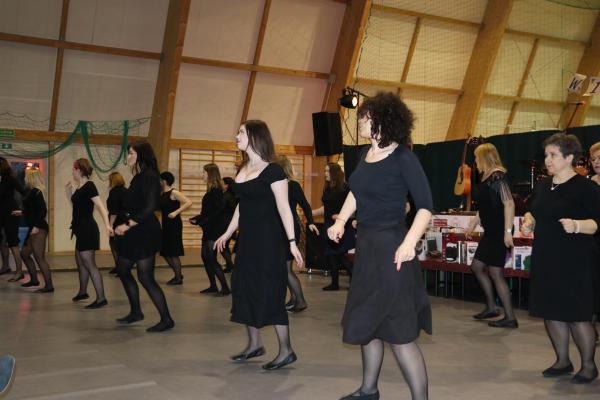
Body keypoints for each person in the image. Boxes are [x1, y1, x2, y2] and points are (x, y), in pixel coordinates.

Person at [328, 92, 433, 400]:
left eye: (365, 116)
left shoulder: (403, 158)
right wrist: (341, 221)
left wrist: (409, 243)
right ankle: (369, 389)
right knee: (367, 322)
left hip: (392, 248)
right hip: (367, 249)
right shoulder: (366, 154)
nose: (360, 120)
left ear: (382, 121)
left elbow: (425, 207)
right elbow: (356, 191)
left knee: (399, 333)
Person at [215, 120, 302, 370]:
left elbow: (284, 208)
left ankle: (286, 350)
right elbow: (242, 206)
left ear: (255, 137)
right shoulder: (244, 168)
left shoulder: (273, 171)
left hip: (268, 242)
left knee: (270, 292)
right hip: (248, 242)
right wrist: (228, 232)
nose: (236, 136)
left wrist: (292, 242)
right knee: (244, 288)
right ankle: (254, 345)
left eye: (241, 132)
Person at [522, 133, 600, 384]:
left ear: (569, 157)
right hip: (546, 257)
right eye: (546, 154)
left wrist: (577, 225)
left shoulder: (587, 188)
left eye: (553, 155)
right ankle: (563, 361)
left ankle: (589, 366)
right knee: (551, 310)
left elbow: (597, 223)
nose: (547, 160)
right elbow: (533, 211)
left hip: (576, 261)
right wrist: (529, 221)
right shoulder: (544, 185)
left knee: (577, 315)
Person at [114, 142, 174, 332]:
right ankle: (136, 312)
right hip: (135, 230)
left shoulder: (150, 176)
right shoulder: (139, 176)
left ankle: (167, 319)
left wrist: (127, 224)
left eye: (131, 153)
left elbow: (150, 208)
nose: (128, 157)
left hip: (145, 231)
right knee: (122, 269)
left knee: (146, 277)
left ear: (141, 155)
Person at [465, 143, 518, 328]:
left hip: (499, 231)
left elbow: (509, 203)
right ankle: (492, 307)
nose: (474, 160)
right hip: (491, 231)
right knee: (478, 267)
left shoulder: (497, 175)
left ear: (484, 157)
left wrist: (508, 232)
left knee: (494, 272)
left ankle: (510, 317)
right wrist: (474, 222)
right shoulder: (487, 176)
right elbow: (486, 204)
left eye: (476, 157)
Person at [65, 158, 112, 309]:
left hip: (87, 229)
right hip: (80, 229)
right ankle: (83, 292)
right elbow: (75, 206)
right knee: (80, 262)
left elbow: (101, 207)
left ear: (78, 169)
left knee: (90, 264)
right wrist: (69, 192)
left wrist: (107, 225)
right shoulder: (80, 187)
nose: (72, 172)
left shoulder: (90, 186)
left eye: (73, 169)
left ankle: (101, 298)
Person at [276, 155, 318, 312]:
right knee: (285, 269)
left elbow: (305, 205)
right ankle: (294, 299)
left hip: (288, 229)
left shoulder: (292, 185)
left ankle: (300, 301)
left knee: (285, 269)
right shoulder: (276, 185)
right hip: (280, 229)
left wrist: (311, 222)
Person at [312, 163, 355, 291]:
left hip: (340, 226)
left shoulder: (345, 188)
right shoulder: (328, 188)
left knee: (338, 254)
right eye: (325, 171)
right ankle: (335, 283)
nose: (325, 173)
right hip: (328, 224)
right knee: (332, 255)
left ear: (334, 173)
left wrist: (341, 217)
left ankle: (354, 280)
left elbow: (353, 206)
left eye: (327, 171)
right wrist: (312, 213)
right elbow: (326, 207)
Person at [190, 164, 230, 295]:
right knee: (205, 257)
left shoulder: (216, 191)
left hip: (214, 230)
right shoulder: (211, 191)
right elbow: (208, 211)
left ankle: (225, 288)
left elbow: (218, 212)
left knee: (211, 259)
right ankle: (213, 286)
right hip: (208, 229)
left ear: (210, 174)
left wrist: (202, 221)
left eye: (204, 172)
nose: (202, 175)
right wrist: (198, 218)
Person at [12, 167, 53, 292]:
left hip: (38, 228)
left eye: (26, 176)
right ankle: (34, 280)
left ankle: (49, 286)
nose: (25, 179)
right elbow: (33, 210)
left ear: (31, 178)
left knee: (39, 257)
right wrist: (22, 212)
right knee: (24, 254)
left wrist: (36, 226)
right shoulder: (32, 191)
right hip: (33, 227)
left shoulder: (37, 192)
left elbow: (42, 211)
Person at [159, 171, 192, 285]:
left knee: (173, 252)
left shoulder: (174, 192)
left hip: (174, 225)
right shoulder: (162, 193)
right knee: (165, 252)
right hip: (166, 225)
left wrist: (176, 212)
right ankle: (178, 273)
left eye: (160, 180)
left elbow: (188, 202)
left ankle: (178, 278)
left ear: (164, 181)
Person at [0, 157, 25, 282]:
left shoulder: (10, 178)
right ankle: (5, 266)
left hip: (11, 215)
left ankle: (19, 272)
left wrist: (23, 210)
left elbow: (25, 192)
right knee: (2, 241)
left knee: (12, 242)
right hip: (1, 215)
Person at [588, 141, 600, 342]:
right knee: (591, 288)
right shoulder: (588, 183)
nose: (596, 162)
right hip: (591, 241)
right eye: (594, 159)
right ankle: (591, 332)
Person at [106, 172, 127, 276]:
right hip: (125, 221)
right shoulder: (126, 190)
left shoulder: (114, 192)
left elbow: (113, 212)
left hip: (117, 221)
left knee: (115, 245)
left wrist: (110, 226)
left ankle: (120, 268)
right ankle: (119, 267)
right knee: (121, 246)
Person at [221, 177, 237, 273]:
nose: (220, 185)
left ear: (227, 185)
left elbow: (221, 209)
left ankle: (231, 265)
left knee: (223, 247)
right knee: (225, 246)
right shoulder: (233, 195)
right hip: (230, 222)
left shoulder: (226, 196)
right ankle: (229, 265)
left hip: (226, 223)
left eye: (222, 183)